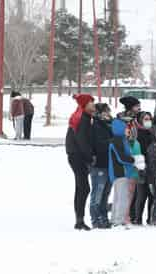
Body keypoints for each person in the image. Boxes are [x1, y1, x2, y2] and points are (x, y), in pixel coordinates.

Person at [66, 94, 96, 231]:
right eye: (91, 103)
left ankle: (79, 219)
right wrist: (90, 157)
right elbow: (82, 141)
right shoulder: (82, 119)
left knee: (82, 188)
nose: (93, 105)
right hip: (77, 156)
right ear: (84, 105)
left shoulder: (82, 117)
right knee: (83, 187)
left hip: (76, 155)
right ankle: (79, 220)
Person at [108, 119, 135, 227]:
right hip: (120, 172)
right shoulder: (117, 141)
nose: (127, 130)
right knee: (122, 197)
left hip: (120, 173)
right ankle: (119, 221)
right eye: (125, 128)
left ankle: (115, 219)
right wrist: (132, 160)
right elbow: (121, 157)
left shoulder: (121, 140)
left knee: (118, 197)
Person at [90, 103, 113, 229]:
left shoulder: (110, 124)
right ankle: (95, 218)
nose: (107, 114)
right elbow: (99, 144)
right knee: (97, 193)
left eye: (108, 111)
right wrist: (112, 142)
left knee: (106, 193)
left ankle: (104, 217)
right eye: (104, 112)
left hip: (110, 164)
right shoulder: (96, 125)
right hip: (99, 164)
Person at [134, 111, 155, 225]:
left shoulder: (152, 133)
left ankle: (150, 218)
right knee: (141, 194)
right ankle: (138, 218)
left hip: (152, 168)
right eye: (145, 119)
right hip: (141, 167)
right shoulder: (137, 133)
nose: (148, 121)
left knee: (152, 194)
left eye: (149, 119)